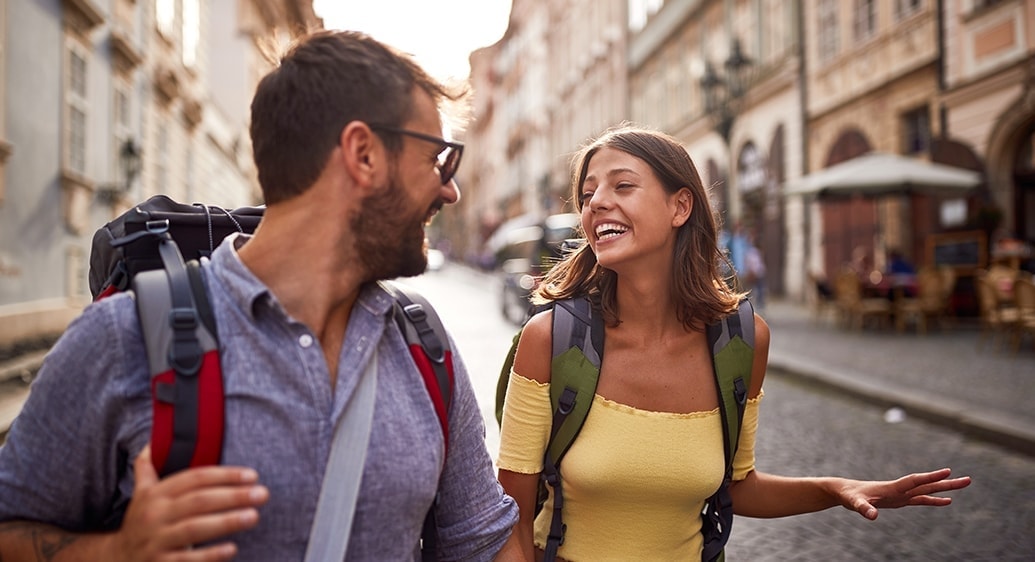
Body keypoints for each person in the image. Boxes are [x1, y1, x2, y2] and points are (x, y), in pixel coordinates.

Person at [0, 30, 520, 561]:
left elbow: (485, 545)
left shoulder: (425, 347)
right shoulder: (122, 338)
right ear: (363, 153)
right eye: (438, 159)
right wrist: (115, 552)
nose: (449, 189)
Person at [495, 125, 971, 561]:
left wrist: (833, 488)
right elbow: (511, 523)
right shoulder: (550, 340)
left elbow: (738, 487)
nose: (596, 201)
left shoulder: (743, 341)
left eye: (622, 185)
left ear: (680, 206)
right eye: (588, 192)